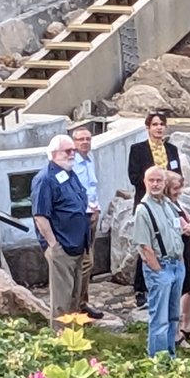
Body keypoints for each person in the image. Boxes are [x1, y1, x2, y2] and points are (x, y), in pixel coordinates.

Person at [30, 134, 90, 331]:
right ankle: (60, 340)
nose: (73, 153)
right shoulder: (45, 179)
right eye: (68, 150)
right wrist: (54, 245)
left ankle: (73, 338)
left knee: (74, 296)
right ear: (54, 153)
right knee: (61, 300)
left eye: (73, 150)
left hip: (78, 245)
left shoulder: (69, 172)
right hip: (62, 247)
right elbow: (40, 216)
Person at [126, 112, 182, 307]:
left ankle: (171, 279)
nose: (159, 127)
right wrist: (154, 185)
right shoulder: (138, 149)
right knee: (146, 245)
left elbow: (178, 176)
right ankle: (140, 288)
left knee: (170, 242)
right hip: (147, 203)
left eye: (162, 124)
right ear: (147, 127)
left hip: (168, 205)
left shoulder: (172, 149)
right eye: (155, 124)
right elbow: (133, 177)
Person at [132, 165, 189, 357]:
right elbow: (143, 245)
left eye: (159, 180)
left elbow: (179, 229)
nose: (155, 184)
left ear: (164, 183)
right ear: (145, 182)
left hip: (176, 266)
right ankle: (156, 360)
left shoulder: (168, 204)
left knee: (173, 315)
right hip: (161, 268)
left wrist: (180, 261)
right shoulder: (143, 209)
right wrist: (157, 270)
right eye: (151, 180)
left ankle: (170, 357)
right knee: (159, 319)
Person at [166, 171, 190, 348]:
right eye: (175, 189)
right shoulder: (165, 206)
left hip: (185, 250)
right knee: (179, 291)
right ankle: (174, 333)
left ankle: (186, 326)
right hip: (176, 252)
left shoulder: (176, 202)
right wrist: (186, 228)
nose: (178, 192)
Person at [70, 126, 103, 320]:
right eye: (80, 139)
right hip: (79, 217)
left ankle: (83, 300)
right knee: (84, 262)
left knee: (89, 261)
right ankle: (77, 304)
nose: (85, 142)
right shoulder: (72, 164)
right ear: (73, 142)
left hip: (92, 214)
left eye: (88, 139)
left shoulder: (90, 160)